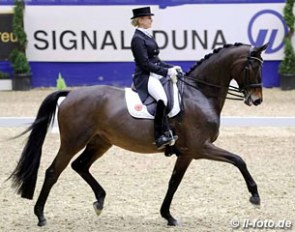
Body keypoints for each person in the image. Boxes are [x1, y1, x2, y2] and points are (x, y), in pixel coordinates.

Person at [130, 6, 181, 150]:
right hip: (145, 77)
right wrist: (166, 72)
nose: (151, 19)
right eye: (148, 18)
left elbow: (156, 60)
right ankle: (160, 135)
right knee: (162, 99)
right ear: (140, 20)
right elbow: (145, 64)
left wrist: (171, 67)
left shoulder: (146, 35)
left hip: (154, 73)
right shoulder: (137, 39)